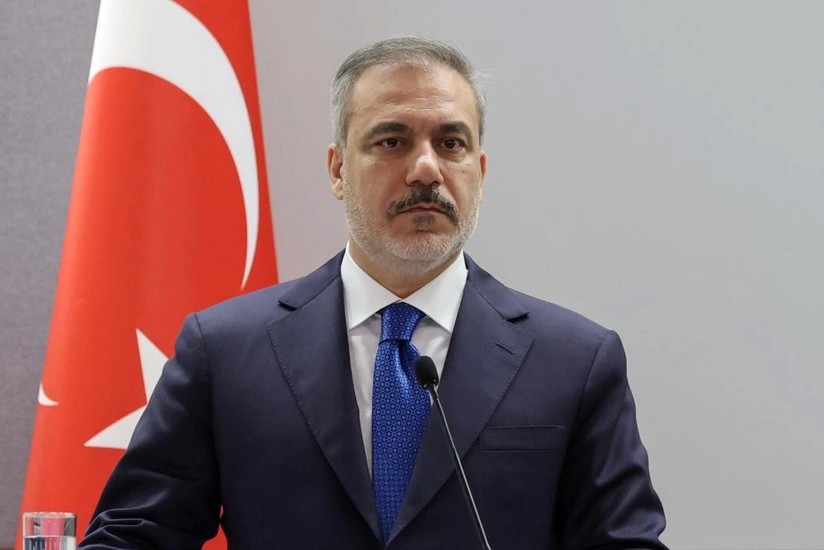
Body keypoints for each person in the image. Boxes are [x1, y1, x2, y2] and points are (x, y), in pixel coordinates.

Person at [80, 37, 667, 549]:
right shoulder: (225, 352)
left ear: (480, 171)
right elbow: (135, 536)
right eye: (391, 141)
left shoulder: (575, 362)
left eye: (452, 143)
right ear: (338, 170)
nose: (426, 170)